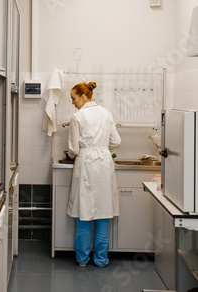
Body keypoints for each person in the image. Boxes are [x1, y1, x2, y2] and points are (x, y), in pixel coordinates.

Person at [67, 81, 121, 268]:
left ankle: (82, 260)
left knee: (83, 214)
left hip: (86, 163)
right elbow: (117, 141)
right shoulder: (106, 113)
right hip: (104, 162)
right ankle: (101, 260)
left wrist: (79, 152)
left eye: (74, 98)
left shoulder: (78, 117)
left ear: (83, 97)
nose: (72, 102)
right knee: (103, 214)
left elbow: (73, 149)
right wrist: (102, 147)